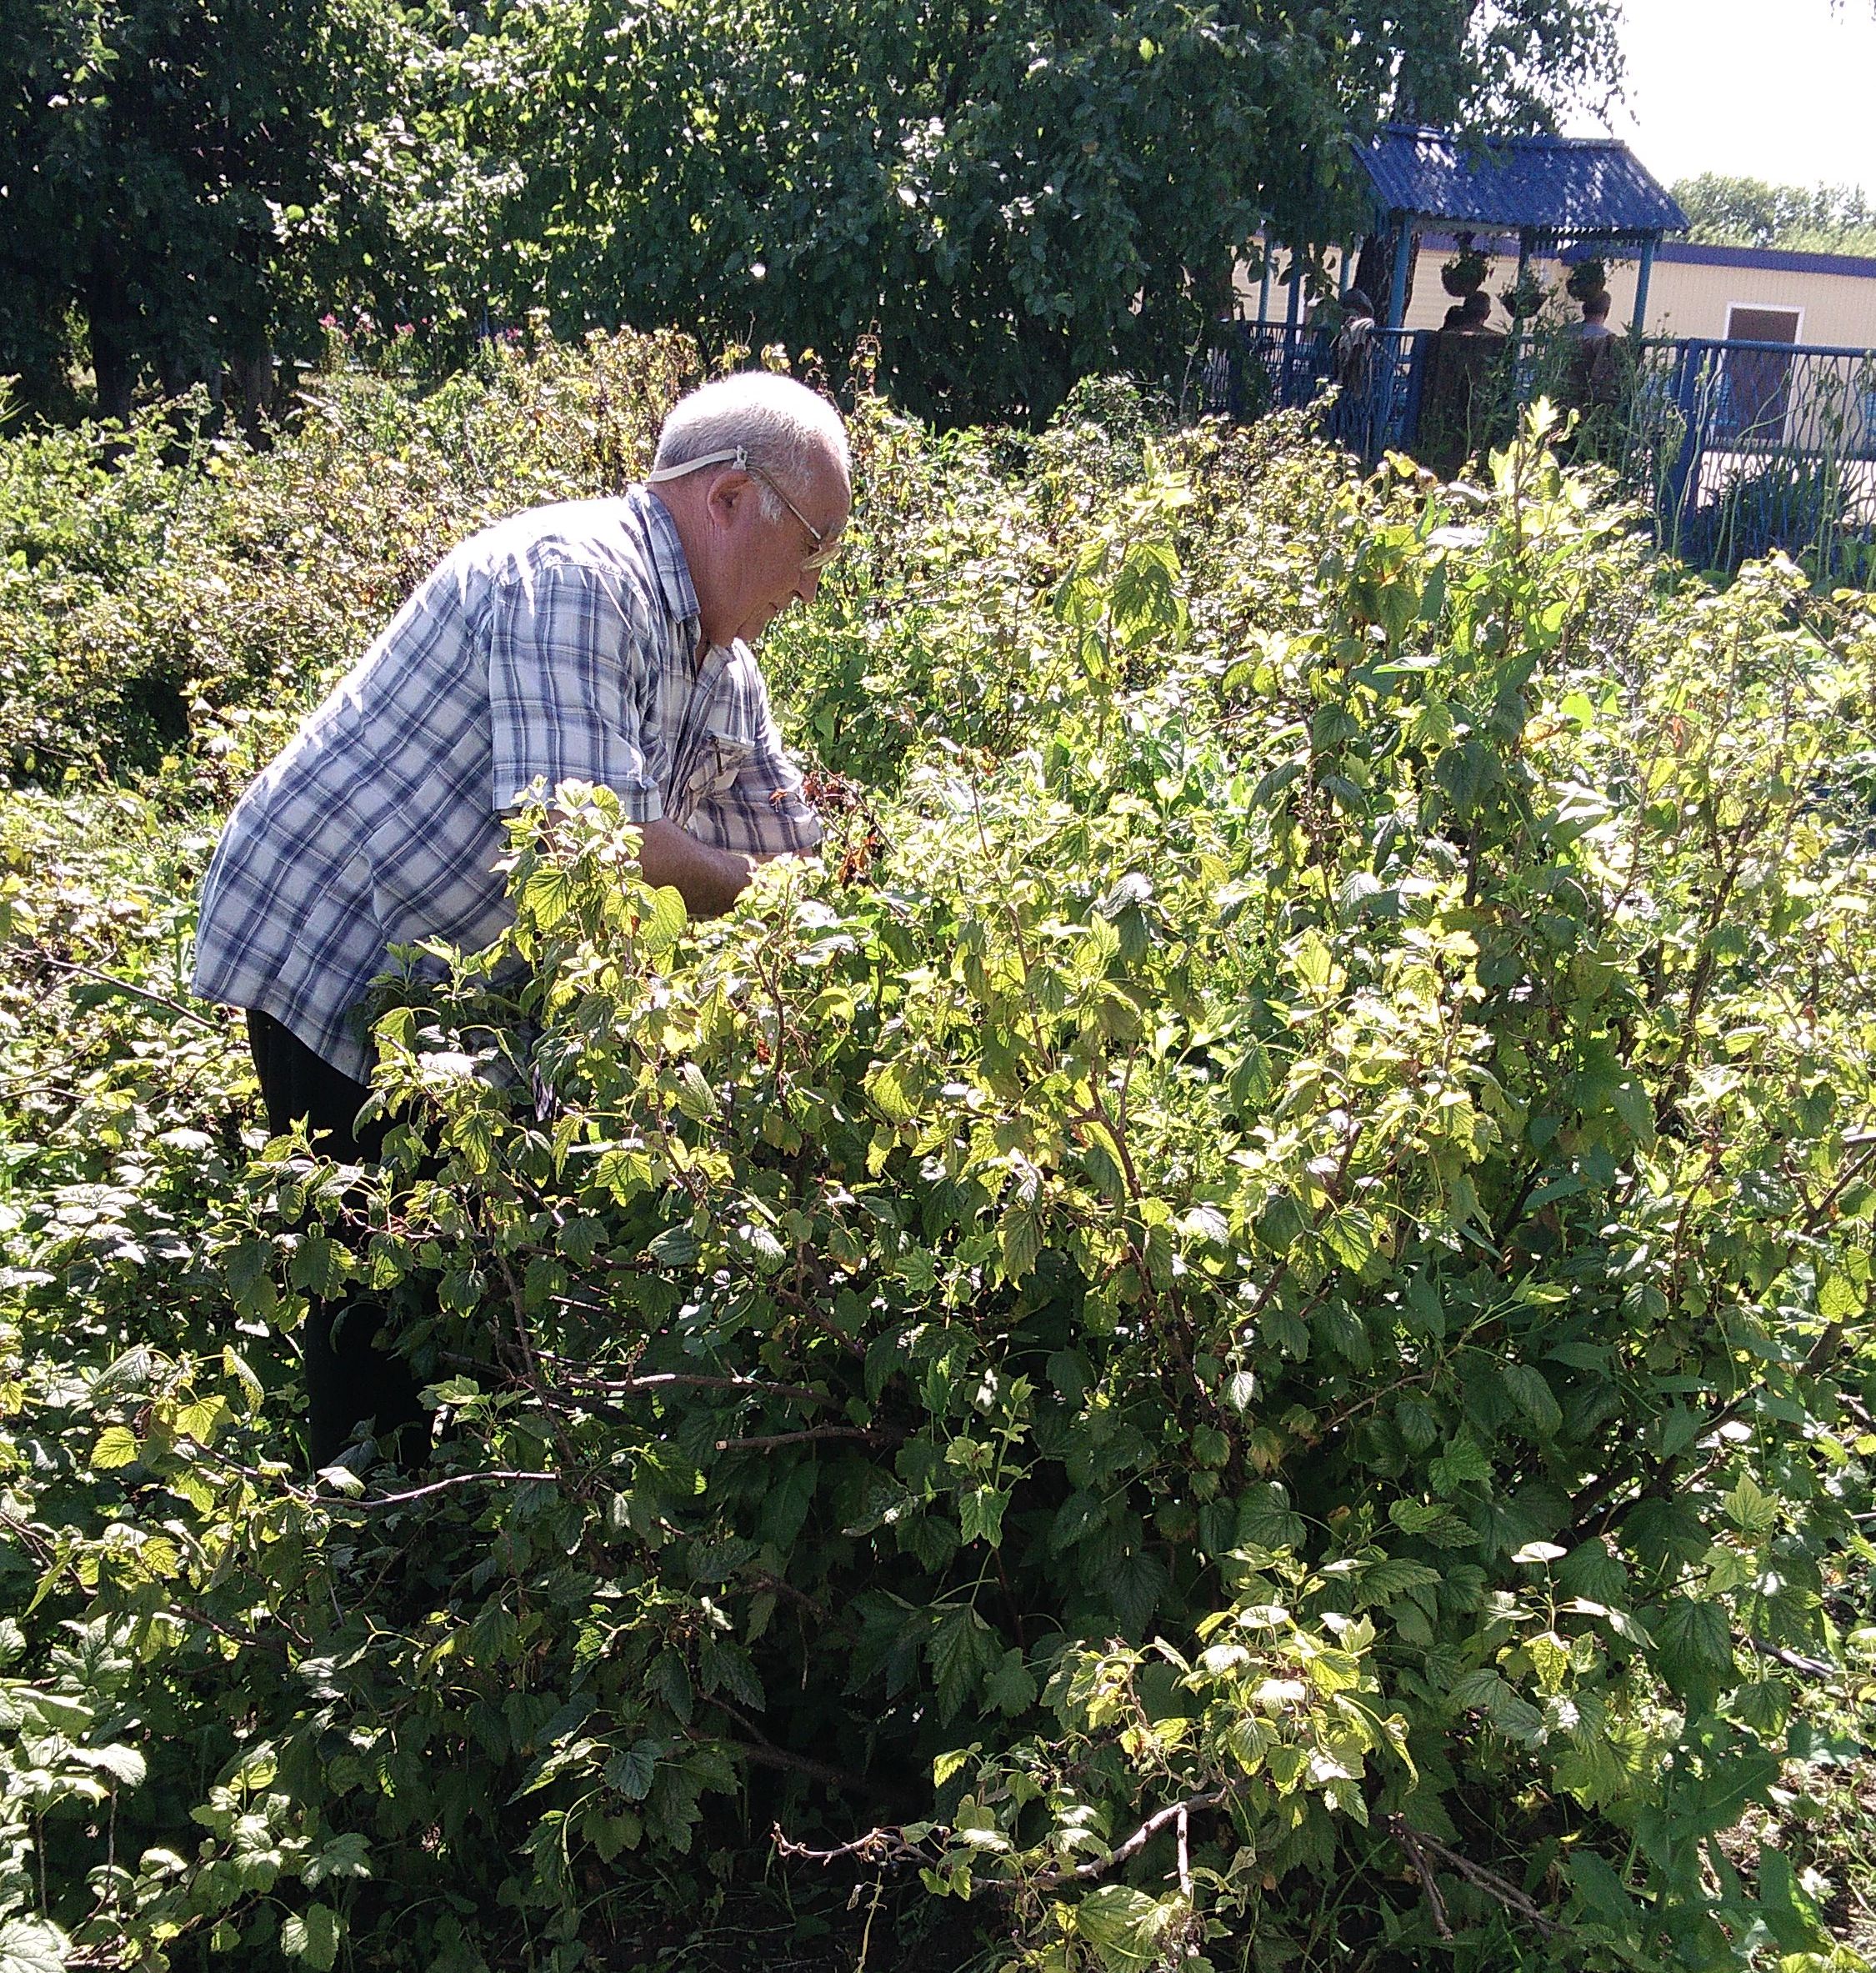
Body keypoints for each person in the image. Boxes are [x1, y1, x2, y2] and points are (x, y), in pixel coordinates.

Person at [192, 370, 850, 1467]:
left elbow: (798, 862)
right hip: (340, 944)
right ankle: (367, 1573)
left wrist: (852, 911)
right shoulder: (577, 572)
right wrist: (775, 896)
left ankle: (448, 1536)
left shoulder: (722, 670)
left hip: (451, 1003)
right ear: (732, 499)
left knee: (470, 1292)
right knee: (379, 1308)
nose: (814, 587)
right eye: (816, 547)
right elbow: (594, 843)